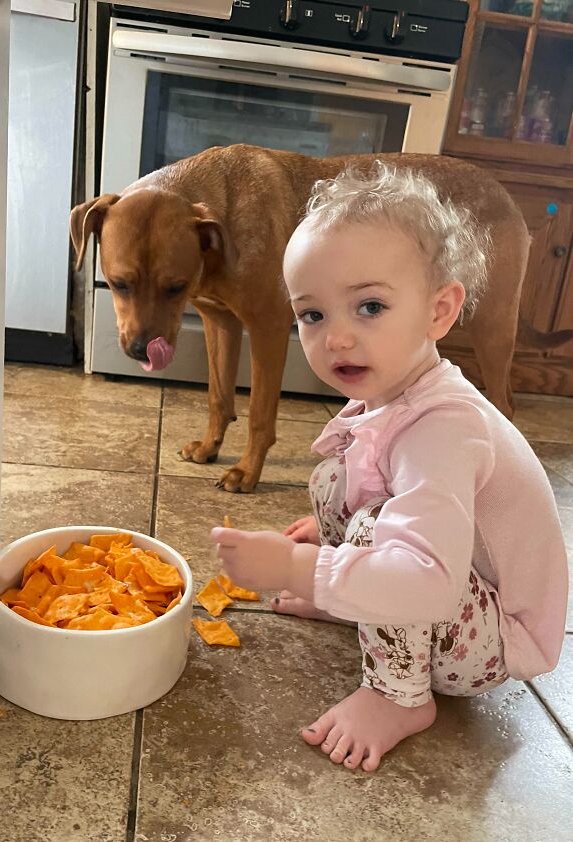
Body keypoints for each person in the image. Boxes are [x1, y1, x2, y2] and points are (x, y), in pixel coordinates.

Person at [210, 163, 568, 773]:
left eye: (369, 306)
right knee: (336, 471)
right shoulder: (395, 390)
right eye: (313, 315)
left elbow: (430, 580)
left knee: (376, 528)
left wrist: (299, 565)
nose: (337, 339)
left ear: (439, 311)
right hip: (459, 591)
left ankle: (397, 696)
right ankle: (348, 590)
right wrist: (327, 554)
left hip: (490, 641)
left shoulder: (443, 428)